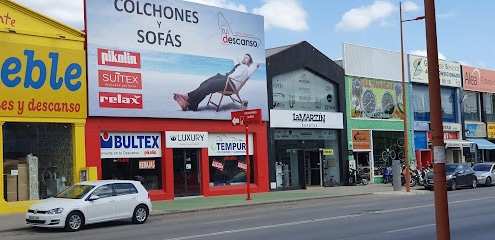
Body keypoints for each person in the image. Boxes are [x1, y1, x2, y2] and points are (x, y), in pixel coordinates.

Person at [174, 54, 259, 111]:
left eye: (247, 57)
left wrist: (251, 65)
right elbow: (236, 57)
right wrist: (241, 62)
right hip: (225, 78)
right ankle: (190, 103)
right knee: (205, 83)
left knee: (210, 85)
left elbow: (253, 67)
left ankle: (188, 97)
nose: (244, 58)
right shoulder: (239, 65)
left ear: (249, 61)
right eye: (244, 57)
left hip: (230, 84)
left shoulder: (246, 69)